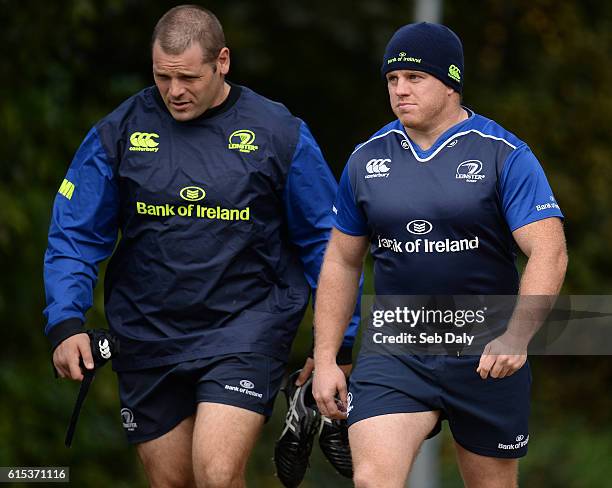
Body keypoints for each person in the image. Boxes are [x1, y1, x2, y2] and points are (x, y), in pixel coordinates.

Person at [43, 5, 358, 487]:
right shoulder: (119, 132)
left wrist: (337, 341)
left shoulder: (278, 133)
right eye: (162, 77)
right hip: (148, 331)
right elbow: (75, 230)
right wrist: (66, 319)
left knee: (216, 472)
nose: (174, 91)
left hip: (245, 327)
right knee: (173, 481)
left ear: (223, 61)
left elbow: (326, 243)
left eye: (188, 77)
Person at [312, 22, 567, 488]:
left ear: (451, 83)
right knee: (373, 480)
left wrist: (518, 336)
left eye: (414, 78)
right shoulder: (366, 160)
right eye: (392, 80)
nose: (399, 90)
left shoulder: (503, 153)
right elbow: (341, 261)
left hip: (487, 352)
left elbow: (548, 250)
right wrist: (327, 357)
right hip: (397, 351)